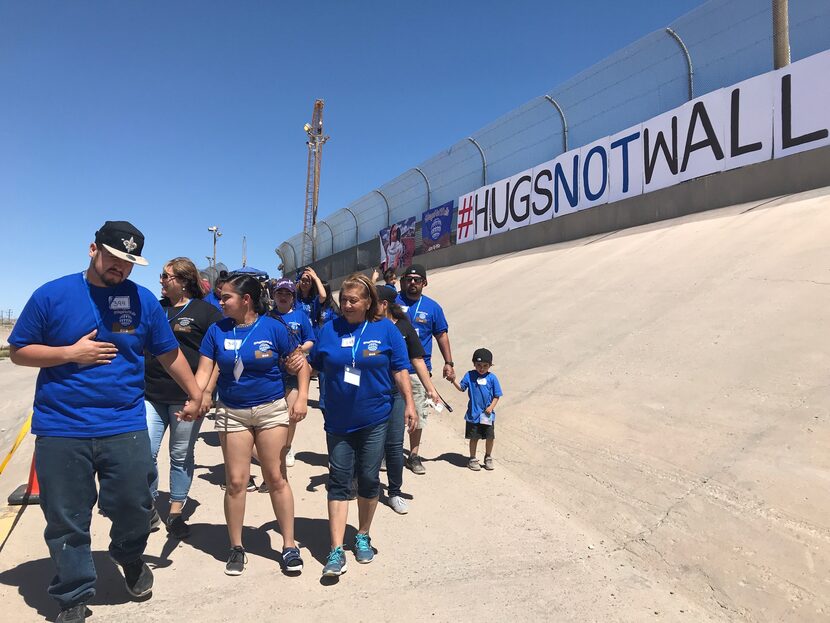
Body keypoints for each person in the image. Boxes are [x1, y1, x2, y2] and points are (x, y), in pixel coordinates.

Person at [8, 221, 203, 623]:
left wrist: (195, 392)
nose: (121, 269)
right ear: (93, 249)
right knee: (66, 518)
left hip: (123, 422)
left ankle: (128, 556)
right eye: (115, 259)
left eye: (130, 263)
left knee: (135, 506)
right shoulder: (53, 294)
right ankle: (73, 593)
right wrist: (70, 354)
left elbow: (168, 353)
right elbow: (19, 351)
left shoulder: (142, 299)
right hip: (62, 427)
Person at [195, 273, 310, 576]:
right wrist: (197, 397)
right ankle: (236, 547)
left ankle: (288, 545)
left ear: (246, 300)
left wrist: (301, 397)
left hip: (271, 410)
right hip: (232, 412)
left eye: (226, 297)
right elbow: (205, 370)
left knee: (275, 476)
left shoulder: (274, 328)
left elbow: (300, 363)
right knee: (235, 481)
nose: (220, 302)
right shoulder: (216, 331)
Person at [310, 273, 415, 577]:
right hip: (338, 420)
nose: (346, 304)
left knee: (369, 479)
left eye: (353, 300)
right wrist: (300, 389)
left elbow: (400, 369)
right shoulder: (329, 330)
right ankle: (334, 549)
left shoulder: (386, 331)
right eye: (343, 300)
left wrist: (409, 403)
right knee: (339, 480)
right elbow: (312, 364)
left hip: (375, 417)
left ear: (369, 302)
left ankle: (362, 535)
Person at [145, 257, 223, 539]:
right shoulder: (156, 309)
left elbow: (216, 357)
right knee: (144, 453)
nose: (161, 282)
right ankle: (148, 506)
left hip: (186, 397)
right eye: (162, 277)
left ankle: (176, 511)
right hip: (151, 393)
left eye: (166, 277)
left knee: (179, 455)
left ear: (184, 281)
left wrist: (205, 393)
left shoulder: (206, 313)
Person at [375, 286, 440, 514]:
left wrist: (430, 389)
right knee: (367, 443)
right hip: (371, 395)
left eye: (373, 300)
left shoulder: (404, 327)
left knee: (394, 445)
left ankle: (394, 492)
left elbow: (417, 359)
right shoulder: (367, 326)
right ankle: (365, 484)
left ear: (384, 304)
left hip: (395, 394)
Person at [395, 264, 455, 475]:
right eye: (408, 279)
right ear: (403, 281)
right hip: (392, 368)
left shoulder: (433, 307)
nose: (412, 282)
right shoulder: (392, 303)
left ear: (424, 283)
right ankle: (387, 452)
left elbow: (441, 335)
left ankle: (413, 455)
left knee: (418, 412)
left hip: (419, 370)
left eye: (417, 279)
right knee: (389, 411)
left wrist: (449, 362)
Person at [268, 278, 315, 468]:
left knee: (291, 413)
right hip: (275, 372)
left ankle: (287, 447)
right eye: (280, 293)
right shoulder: (267, 317)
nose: (283, 296)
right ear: (274, 295)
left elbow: (311, 339)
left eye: (287, 293)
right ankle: (273, 446)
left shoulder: (300, 316)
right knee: (273, 413)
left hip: (295, 372)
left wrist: (300, 351)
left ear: (293, 297)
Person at [449, 348, 503, 471]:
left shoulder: (492, 378)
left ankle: (488, 457)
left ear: (490, 365)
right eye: (478, 365)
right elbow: (462, 388)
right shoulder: (469, 375)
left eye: (485, 365)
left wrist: (491, 407)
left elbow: (497, 395)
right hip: (473, 415)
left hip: (487, 415)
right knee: (474, 437)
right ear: (474, 364)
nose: (482, 368)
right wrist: (453, 381)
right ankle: (472, 458)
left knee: (490, 437)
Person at [314, 281, 340, 415]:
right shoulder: (315, 305)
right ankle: (323, 399)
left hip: (329, 343)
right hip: (317, 343)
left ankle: (326, 401)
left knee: (326, 373)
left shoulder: (333, 308)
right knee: (321, 374)